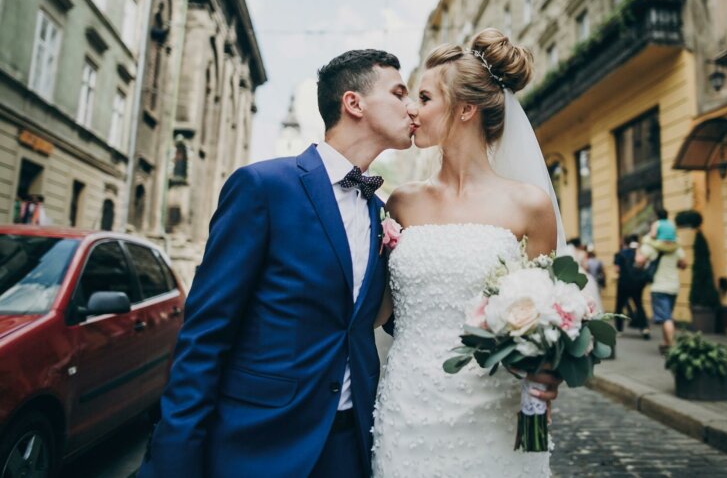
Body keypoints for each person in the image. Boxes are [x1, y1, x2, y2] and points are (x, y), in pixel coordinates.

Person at [138, 49, 419, 478]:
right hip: (259, 443)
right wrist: (175, 460)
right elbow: (205, 336)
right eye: (399, 92)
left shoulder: (379, 209)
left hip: (351, 443)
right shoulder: (263, 187)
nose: (411, 106)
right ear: (354, 103)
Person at [371, 29, 563, 477]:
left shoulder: (530, 206)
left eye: (424, 97)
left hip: (494, 411)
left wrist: (543, 388)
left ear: (465, 109)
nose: (411, 110)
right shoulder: (402, 203)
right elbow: (376, 311)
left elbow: (548, 321)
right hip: (408, 406)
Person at [639, 230, 687, 354]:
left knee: (666, 318)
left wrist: (647, 239)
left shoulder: (652, 248)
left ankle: (672, 346)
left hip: (659, 287)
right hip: (673, 287)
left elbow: (639, 261)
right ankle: (665, 343)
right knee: (667, 315)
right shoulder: (676, 249)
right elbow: (684, 264)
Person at [613, 234, 650, 338]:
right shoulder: (639, 253)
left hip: (623, 283)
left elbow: (617, 269)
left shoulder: (619, 254)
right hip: (637, 284)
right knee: (639, 305)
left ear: (625, 242)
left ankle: (619, 329)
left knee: (619, 307)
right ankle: (645, 328)